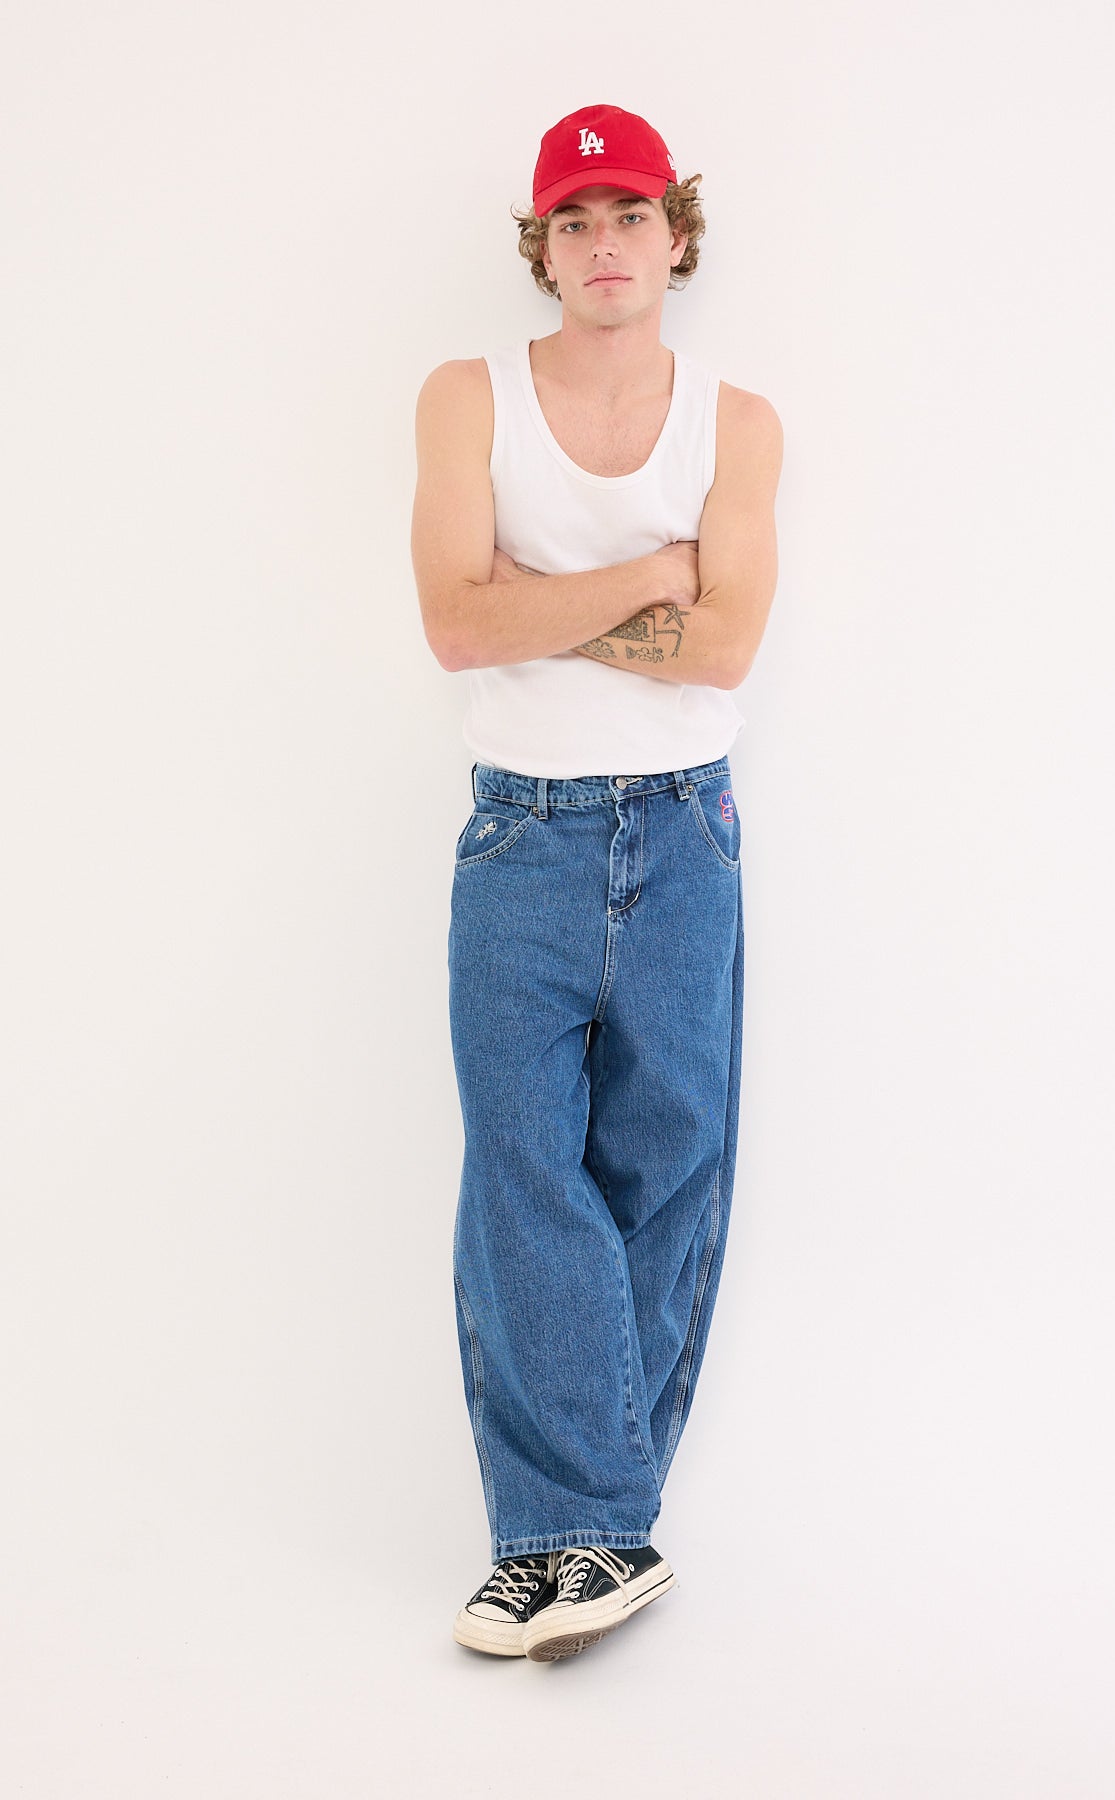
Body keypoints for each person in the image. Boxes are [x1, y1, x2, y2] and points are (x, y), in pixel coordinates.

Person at [410, 102, 783, 1663]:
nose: (604, 242)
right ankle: (583, 1531)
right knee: (523, 1171)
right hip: (523, 835)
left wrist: (537, 600)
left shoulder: (738, 422)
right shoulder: (467, 398)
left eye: (631, 213)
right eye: (575, 220)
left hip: (684, 833)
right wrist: (645, 574)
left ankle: (571, 1540)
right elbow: (456, 622)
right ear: (543, 248)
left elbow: (725, 648)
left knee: (666, 1163)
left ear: (674, 237)